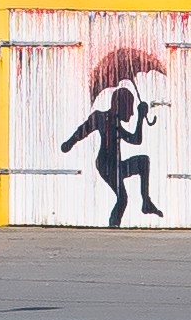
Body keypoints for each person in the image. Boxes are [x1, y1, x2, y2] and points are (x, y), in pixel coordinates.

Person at [61, 73, 164, 228]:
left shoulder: (115, 122)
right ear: (120, 105)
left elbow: (136, 140)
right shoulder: (101, 117)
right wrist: (69, 143)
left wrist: (141, 118)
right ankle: (113, 225)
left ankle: (146, 201)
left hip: (116, 165)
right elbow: (82, 131)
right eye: (129, 108)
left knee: (143, 161)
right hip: (106, 166)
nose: (131, 113)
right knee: (122, 198)